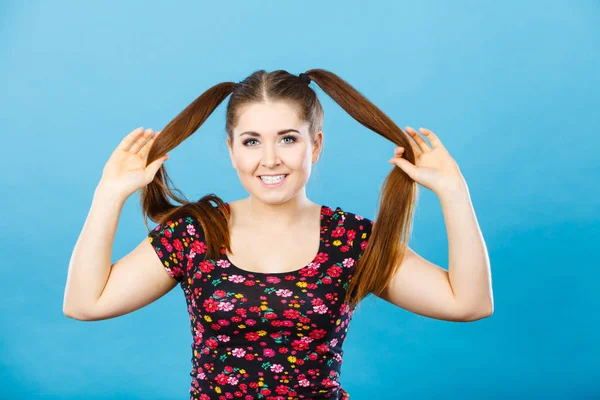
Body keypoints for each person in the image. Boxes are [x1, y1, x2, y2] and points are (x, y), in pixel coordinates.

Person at [63, 69, 493, 400]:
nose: (270, 159)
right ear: (231, 150)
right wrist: (109, 193)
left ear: (316, 145)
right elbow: (86, 303)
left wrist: (454, 191)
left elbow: (468, 303)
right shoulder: (196, 233)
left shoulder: (351, 240)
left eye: (287, 139)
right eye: (251, 142)